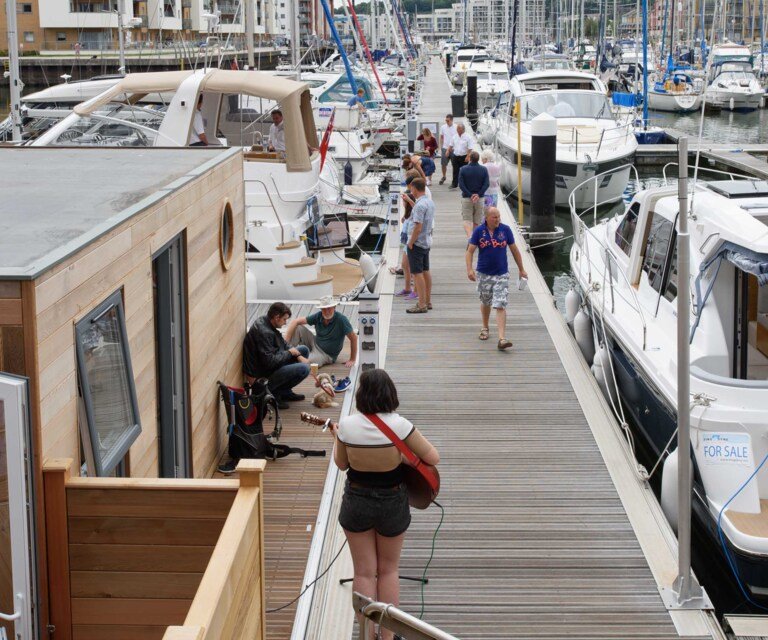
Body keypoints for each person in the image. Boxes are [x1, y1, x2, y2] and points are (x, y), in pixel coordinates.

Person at [332, 368, 439, 640]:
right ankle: (389, 636)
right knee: (389, 569)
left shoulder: (347, 426)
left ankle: (368, 635)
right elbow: (433, 457)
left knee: (364, 572)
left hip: (357, 499)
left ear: (362, 396)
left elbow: (342, 464)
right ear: (390, 393)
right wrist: (401, 458)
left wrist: (337, 438)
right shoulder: (401, 425)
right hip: (392, 500)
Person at [465, 207, 528, 351]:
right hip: (484, 273)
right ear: (486, 218)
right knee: (486, 301)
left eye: (499, 216)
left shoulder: (505, 230)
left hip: (501, 273)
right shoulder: (479, 231)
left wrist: (521, 269)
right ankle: (485, 327)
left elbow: (514, 250)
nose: (498, 219)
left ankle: (502, 338)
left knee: (500, 303)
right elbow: (469, 251)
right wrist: (469, 269)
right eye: (494, 217)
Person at [243, 302, 310, 409]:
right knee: (304, 368)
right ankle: (273, 394)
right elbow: (269, 362)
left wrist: (298, 356)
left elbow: (282, 342)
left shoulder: (267, 321)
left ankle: (285, 391)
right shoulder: (264, 333)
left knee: (303, 350)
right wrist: (289, 353)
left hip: (266, 365)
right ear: (276, 317)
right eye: (284, 319)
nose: (285, 322)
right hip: (260, 379)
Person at [285, 296, 358, 368]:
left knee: (308, 363)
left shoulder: (341, 319)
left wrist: (352, 359)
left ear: (334, 307)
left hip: (326, 354)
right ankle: (286, 351)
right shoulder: (319, 315)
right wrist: (285, 343)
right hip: (314, 342)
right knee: (298, 327)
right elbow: (295, 321)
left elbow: (354, 338)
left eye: (329, 308)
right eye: (324, 309)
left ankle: (293, 357)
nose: (326, 311)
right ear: (321, 309)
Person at [405, 178, 434, 314]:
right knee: (426, 270)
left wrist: (410, 242)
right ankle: (428, 301)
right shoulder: (429, 202)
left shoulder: (420, 205)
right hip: (426, 241)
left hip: (417, 243)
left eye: (411, 188)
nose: (411, 191)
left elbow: (418, 227)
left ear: (415, 188)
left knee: (417, 273)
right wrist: (411, 202)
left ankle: (421, 304)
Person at [458, 151, 489, 237]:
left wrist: (470, 194)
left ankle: (470, 237)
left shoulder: (463, 169)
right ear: (478, 159)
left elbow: (461, 185)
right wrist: (478, 194)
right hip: (479, 199)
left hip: (467, 198)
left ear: (470, 158)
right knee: (477, 220)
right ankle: (475, 237)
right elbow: (486, 184)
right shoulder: (484, 169)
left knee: (467, 219)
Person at [448, 123, 473, 189]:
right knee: (455, 170)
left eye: (459, 128)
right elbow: (451, 145)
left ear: (463, 129)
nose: (457, 130)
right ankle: (454, 184)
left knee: (464, 171)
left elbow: (470, 148)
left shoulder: (468, 137)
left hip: (464, 156)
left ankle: (464, 184)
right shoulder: (455, 136)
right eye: (457, 128)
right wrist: (448, 151)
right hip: (456, 155)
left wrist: (468, 156)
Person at [438, 114, 457, 185]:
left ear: (451, 120)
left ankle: (454, 178)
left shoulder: (456, 127)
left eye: (448, 120)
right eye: (446, 120)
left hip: (454, 148)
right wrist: (441, 147)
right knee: (443, 164)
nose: (446, 122)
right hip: (445, 147)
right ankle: (444, 176)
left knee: (454, 164)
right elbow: (441, 137)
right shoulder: (443, 127)